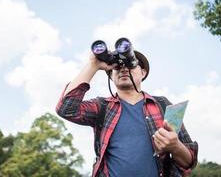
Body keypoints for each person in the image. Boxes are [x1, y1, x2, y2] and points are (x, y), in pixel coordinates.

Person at [56, 48, 198, 177]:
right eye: (117, 66)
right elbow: (65, 108)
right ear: (111, 76)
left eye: (130, 64)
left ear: (143, 73)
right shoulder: (102, 107)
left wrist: (175, 146)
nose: (124, 68)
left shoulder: (163, 105)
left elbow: (189, 161)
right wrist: (93, 65)